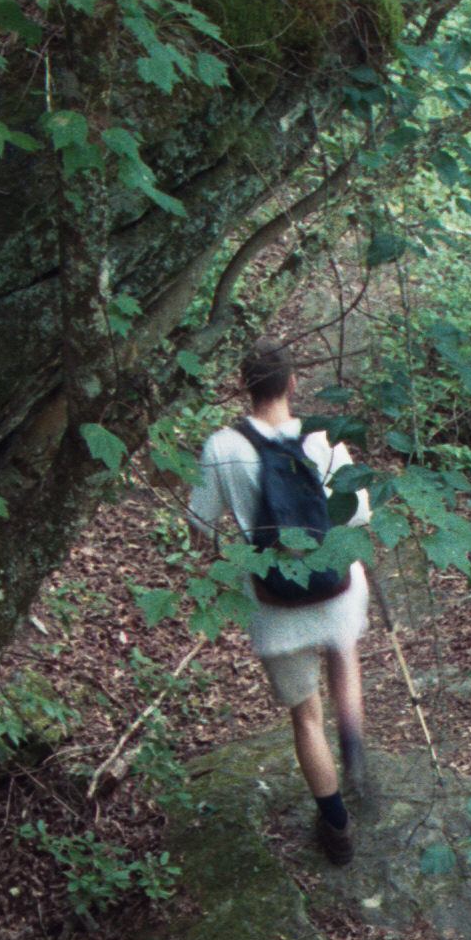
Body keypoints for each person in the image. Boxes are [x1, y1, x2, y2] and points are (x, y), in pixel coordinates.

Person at [190, 343, 378, 864]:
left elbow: (200, 526)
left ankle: (337, 828)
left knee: (305, 716)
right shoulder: (321, 437)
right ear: (294, 384)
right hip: (336, 587)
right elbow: (359, 514)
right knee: (343, 654)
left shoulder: (221, 446)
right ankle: (355, 747)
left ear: (244, 384)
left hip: (274, 601)